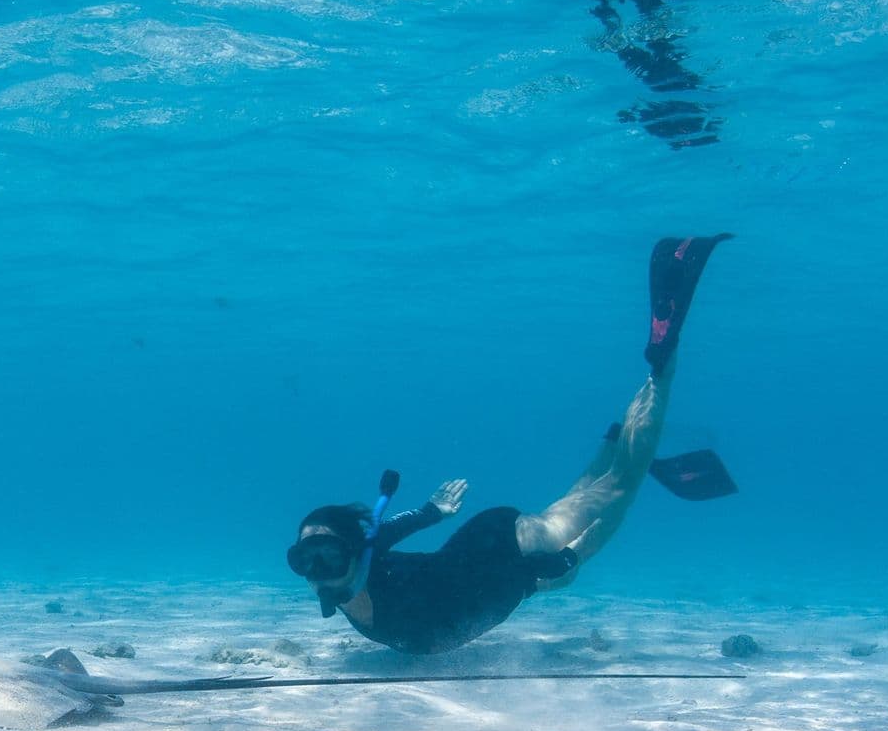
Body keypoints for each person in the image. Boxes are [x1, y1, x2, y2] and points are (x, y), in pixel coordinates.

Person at [285, 234, 733, 655]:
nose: (318, 573)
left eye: (327, 556)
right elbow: (388, 534)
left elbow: (475, 590)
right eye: (305, 560)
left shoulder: (373, 562)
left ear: (354, 549)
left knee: (620, 487)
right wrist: (429, 513)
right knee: (575, 502)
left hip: (506, 551)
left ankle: (661, 368)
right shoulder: (366, 553)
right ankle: (619, 439)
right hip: (477, 553)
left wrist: (549, 567)